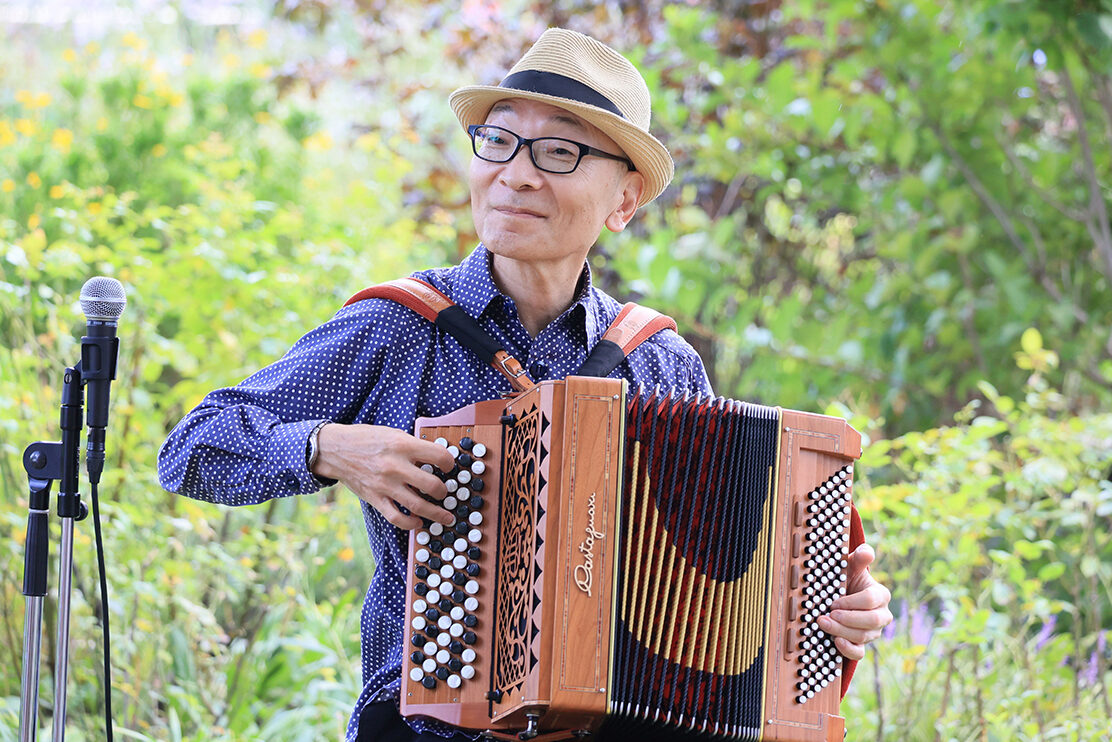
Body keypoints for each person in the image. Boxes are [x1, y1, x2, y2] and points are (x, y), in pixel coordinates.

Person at [158, 27, 893, 742]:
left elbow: (726, 589)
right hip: (428, 730)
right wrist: (327, 447)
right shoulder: (398, 325)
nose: (516, 173)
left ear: (625, 200)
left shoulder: (660, 362)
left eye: (560, 151)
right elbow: (191, 449)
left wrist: (830, 613)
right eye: (499, 141)